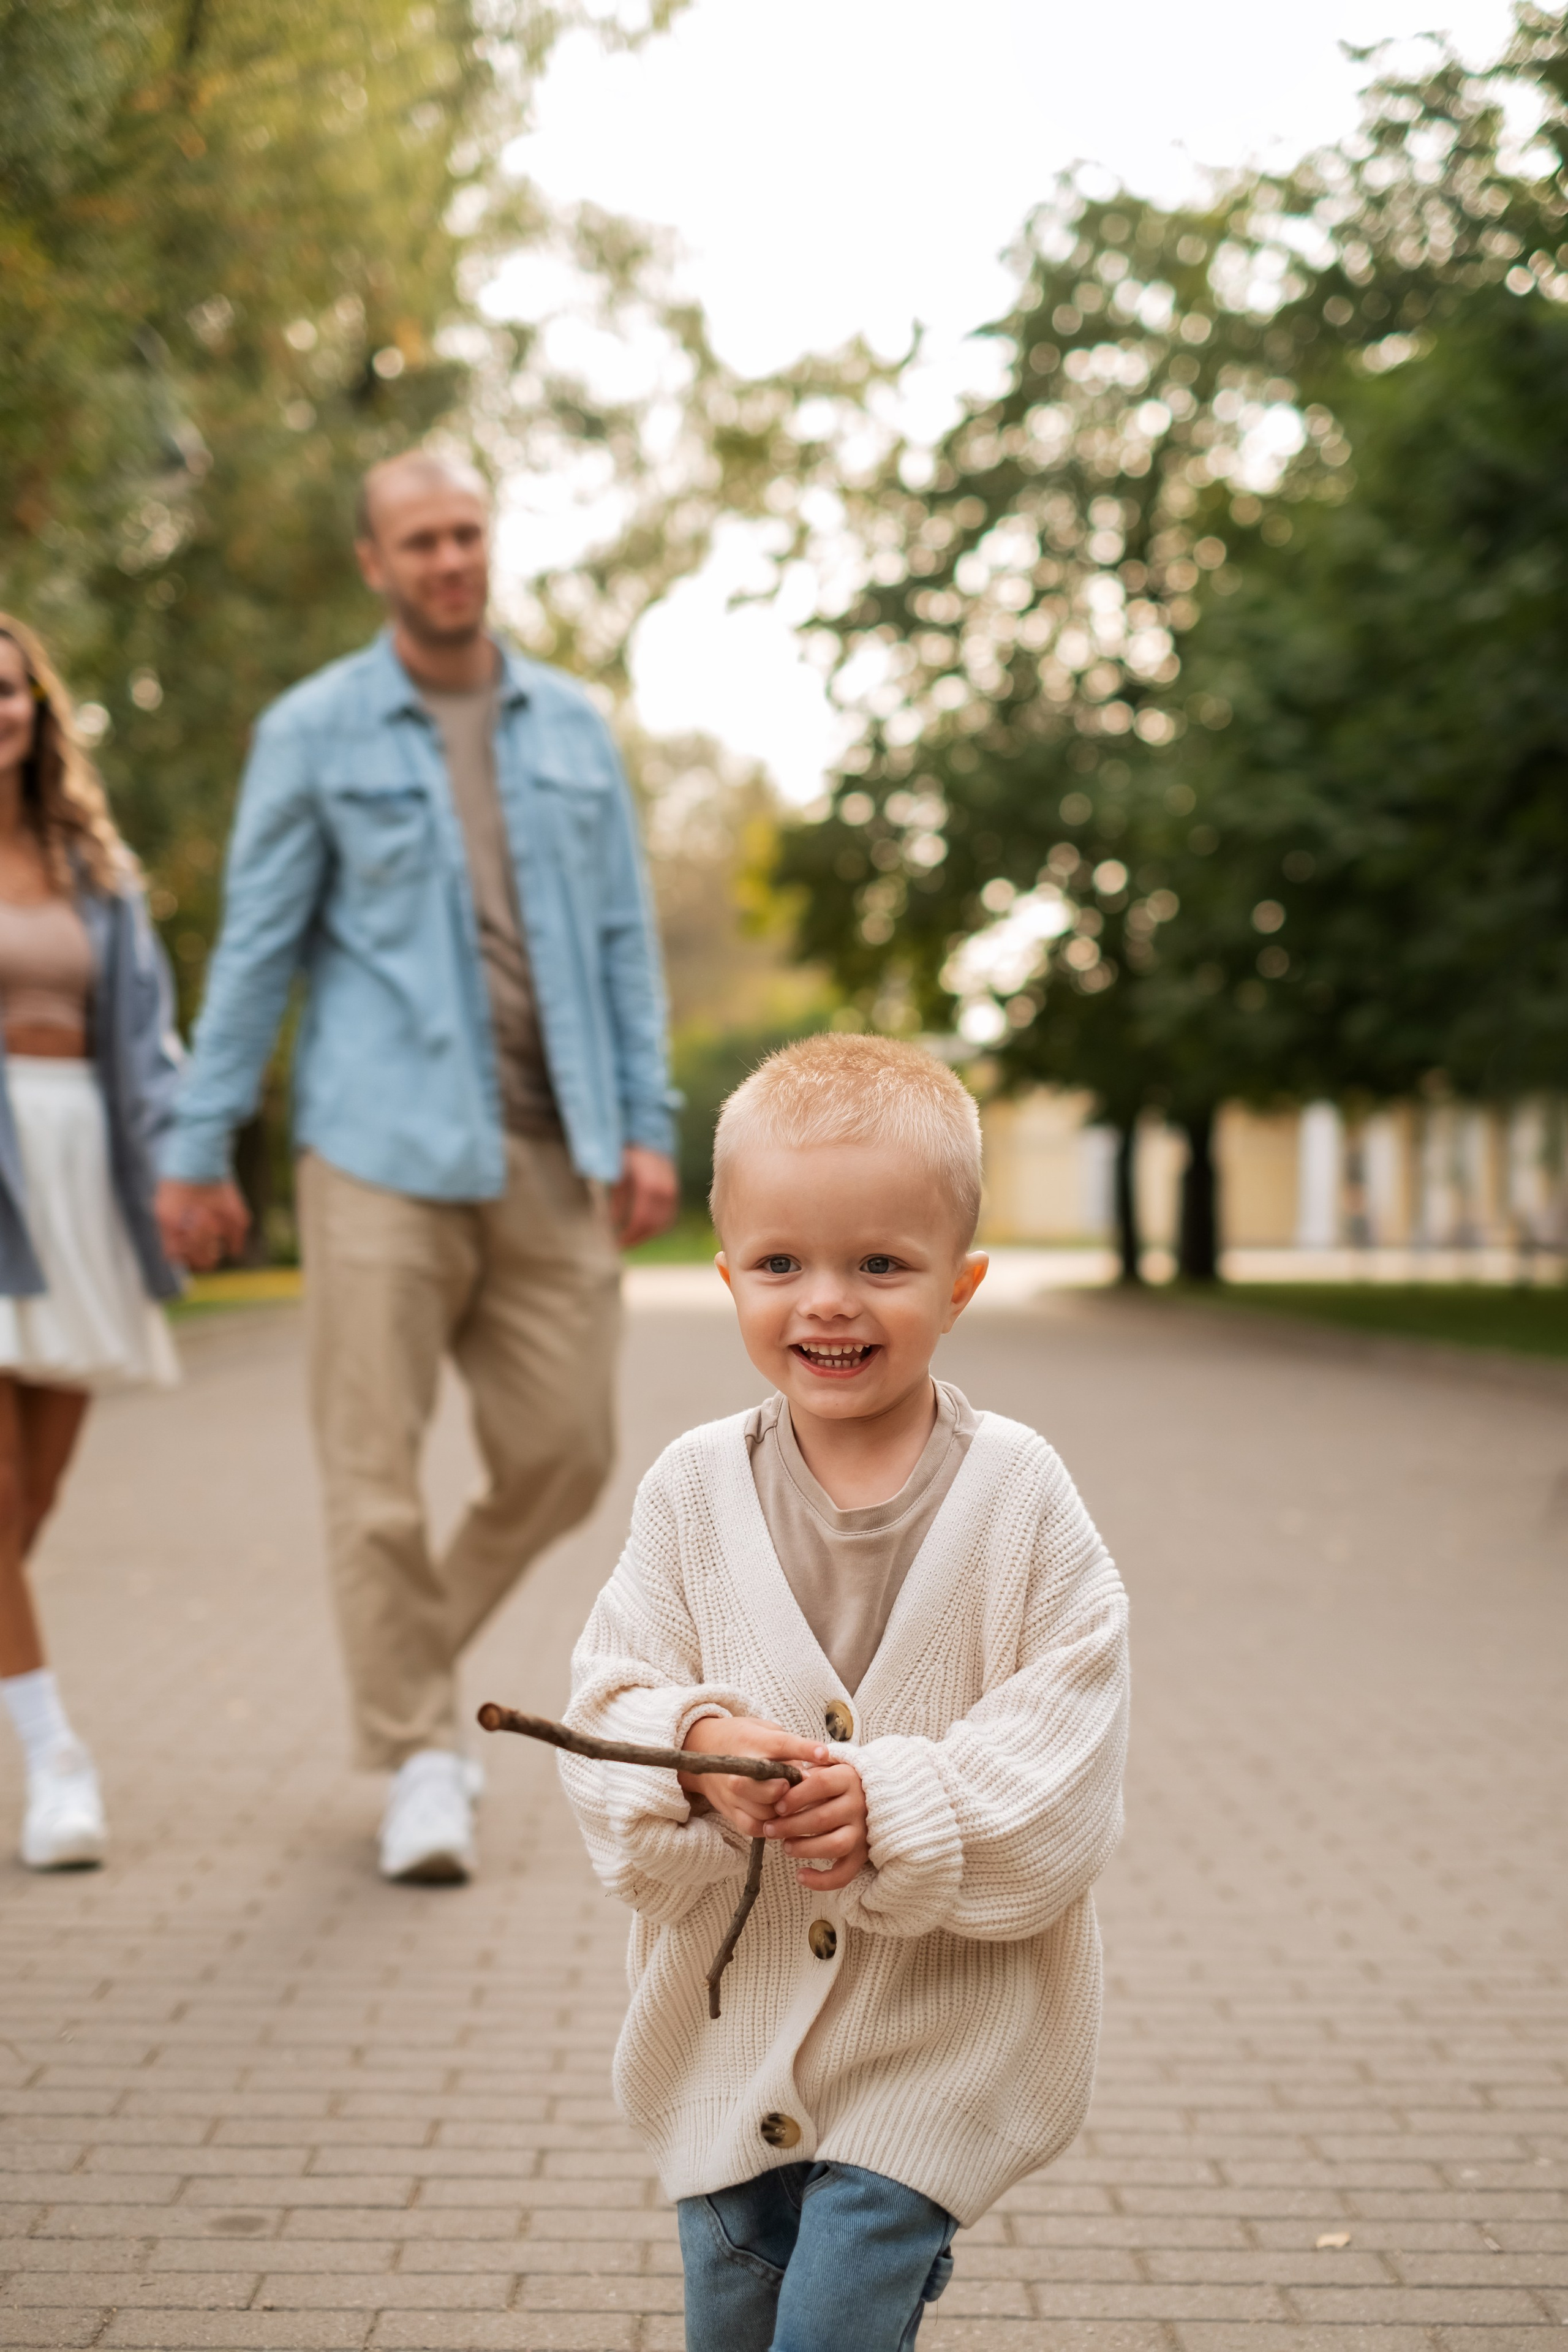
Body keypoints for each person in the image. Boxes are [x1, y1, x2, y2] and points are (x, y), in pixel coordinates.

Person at [557, 1033, 1130, 2352]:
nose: (828, 1302)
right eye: (781, 1266)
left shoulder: (1019, 1495)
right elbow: (609, 1699)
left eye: (880, 1265)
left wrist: (891, 1803)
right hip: (725, 2043)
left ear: (961, 1283)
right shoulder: (692, 1490)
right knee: (733, 2327)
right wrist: (688, 1744)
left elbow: (1065, 1761)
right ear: (725, 1278)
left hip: (935, 2049)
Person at [156, 450, 679, 1886]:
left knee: (567, 1453)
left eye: (467, 532)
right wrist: (199, 1148)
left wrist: (648, 1120)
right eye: (419, 540)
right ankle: (420, 1759)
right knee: (371, 1481)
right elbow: (257, 948)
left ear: (487, 545)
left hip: (547, 1143)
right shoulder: (313, 730)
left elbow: (625, 944)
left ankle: (408, 1669)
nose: (450, 558)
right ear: (374, 564)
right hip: (377, 1151)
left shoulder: (570, 726)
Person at [0, 616, 183, 1871]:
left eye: (5, 690)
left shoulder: (93, 865)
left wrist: (183, 1173)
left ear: (36, 708)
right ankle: (55, 1757)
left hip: (81, 1178)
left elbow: (151, 1046)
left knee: (34, 1499)